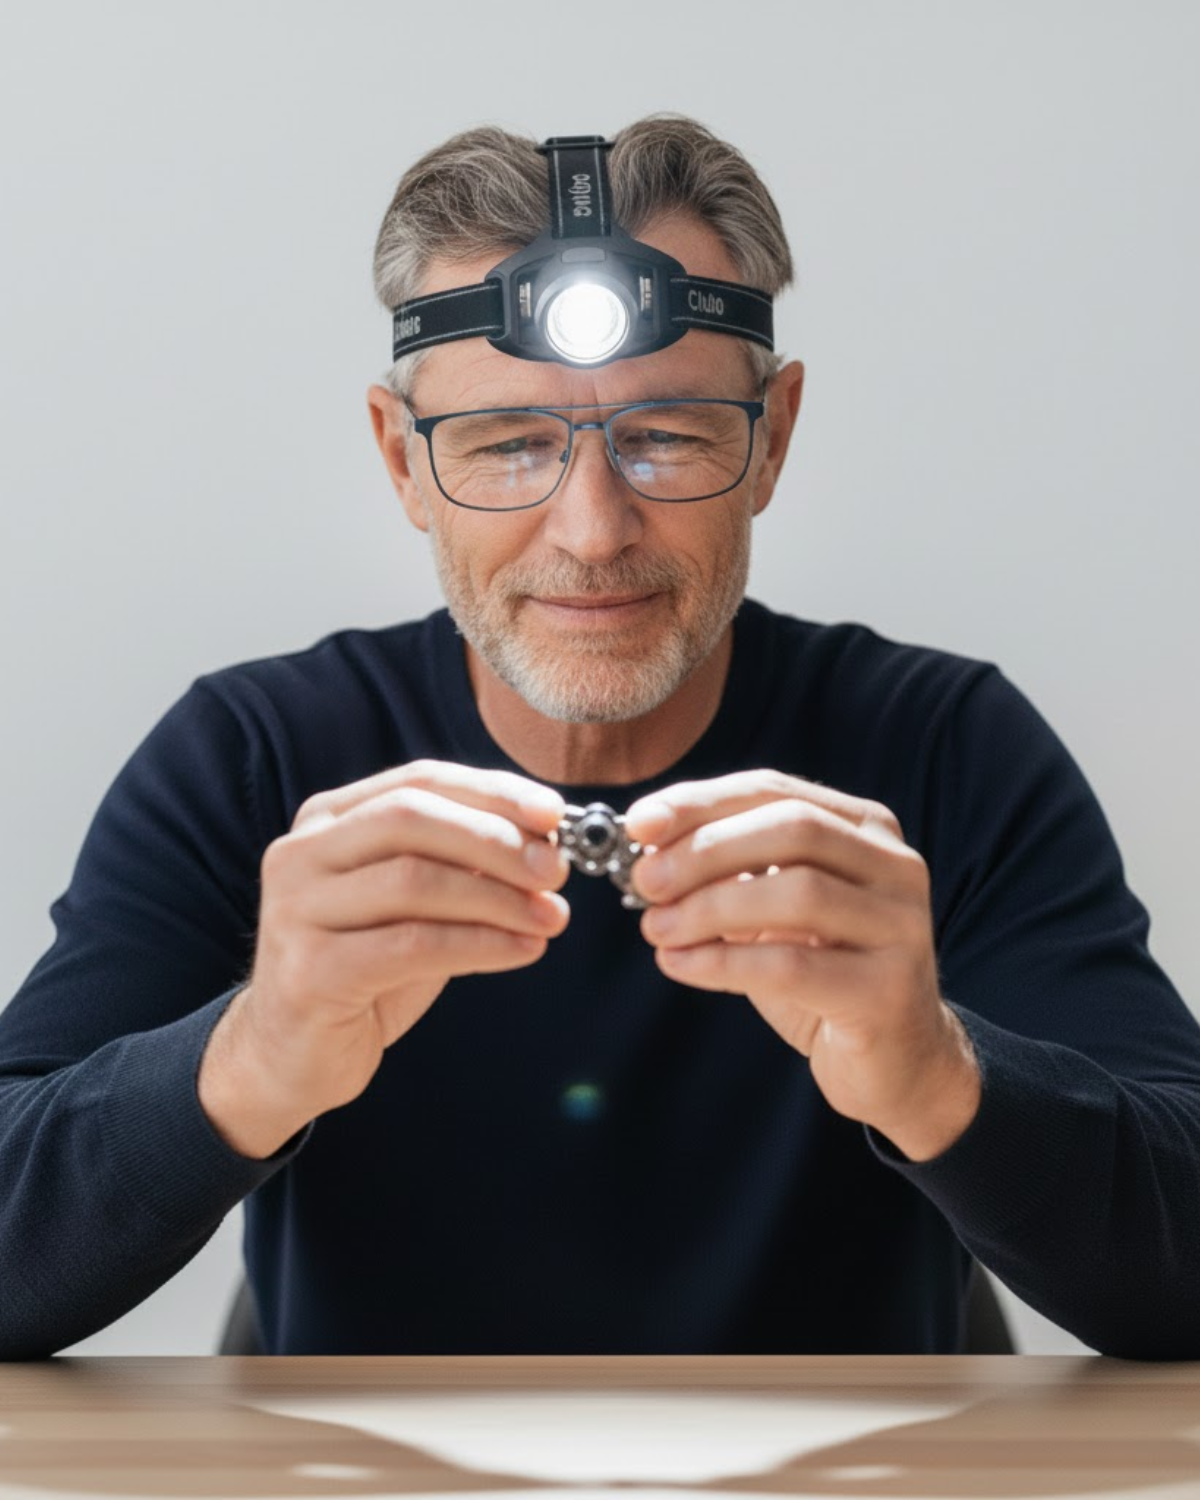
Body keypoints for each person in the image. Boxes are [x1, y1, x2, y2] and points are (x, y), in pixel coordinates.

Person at [2, 116, 1199, 1361]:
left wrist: (938, 1074)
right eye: (509, 443)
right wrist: (248, 1058)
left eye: (668, 435)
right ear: (401, 464)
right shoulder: (253, 758)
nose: (590, 530)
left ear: (772, 440)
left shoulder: (944, 747)